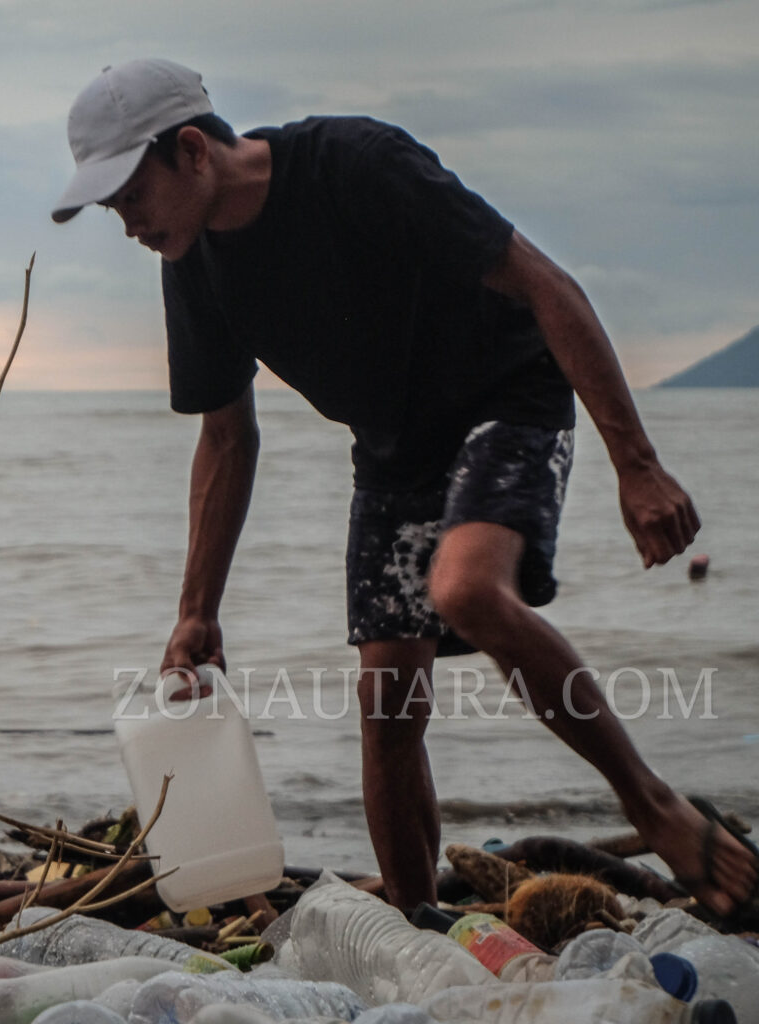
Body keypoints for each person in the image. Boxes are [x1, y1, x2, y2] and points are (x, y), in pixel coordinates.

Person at [52, 57, 757, 916]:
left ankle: (658, 810)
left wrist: (637, 465)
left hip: (507, 394)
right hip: (394, 451)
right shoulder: (194, 266)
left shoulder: (358, 166)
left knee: (464, 588)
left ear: (192, 150)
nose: (126, 223)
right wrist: (197, 607)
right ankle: (420, 930)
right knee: (386, 704)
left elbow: (547, 285)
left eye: (130, 196)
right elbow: (227, 437)